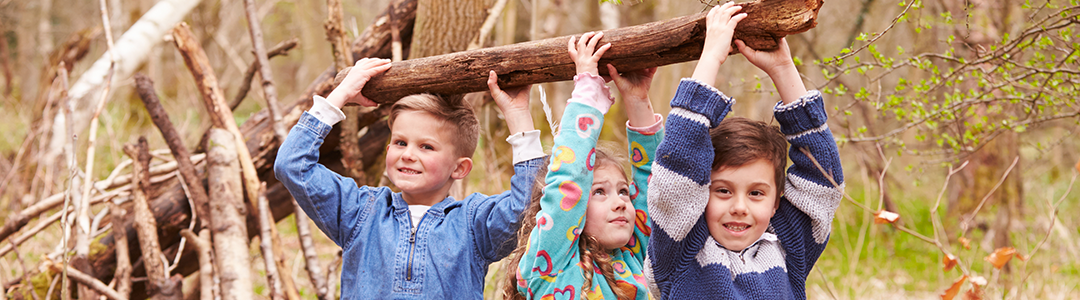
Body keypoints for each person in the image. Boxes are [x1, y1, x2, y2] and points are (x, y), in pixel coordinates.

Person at [274, 57, 546, 299]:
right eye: (401, 142)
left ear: (460, 168)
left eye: (426, 146)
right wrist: (341, 94)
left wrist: (518, 115)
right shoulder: (360, 212)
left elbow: (529, 206)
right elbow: (293, 164)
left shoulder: (474, 224)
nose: (408, 154)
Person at [645, 2, 845, 299]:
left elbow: (822, 181)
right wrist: (711, 55)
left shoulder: (788, 248)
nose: (739, 207)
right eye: (723, 191)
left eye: (756, 193)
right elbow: (678, 169)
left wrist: (782, 69)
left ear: (776, 202)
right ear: (700, 195)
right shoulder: (680, 251)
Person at [507, 31, 664, 300]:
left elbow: (654, 185)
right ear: (575, 207)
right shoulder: (550, 265)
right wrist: (587, 91)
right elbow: (568, 180)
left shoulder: (635, 258)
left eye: (624, 191)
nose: (620, 203)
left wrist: (637, 100)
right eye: (599, 192)